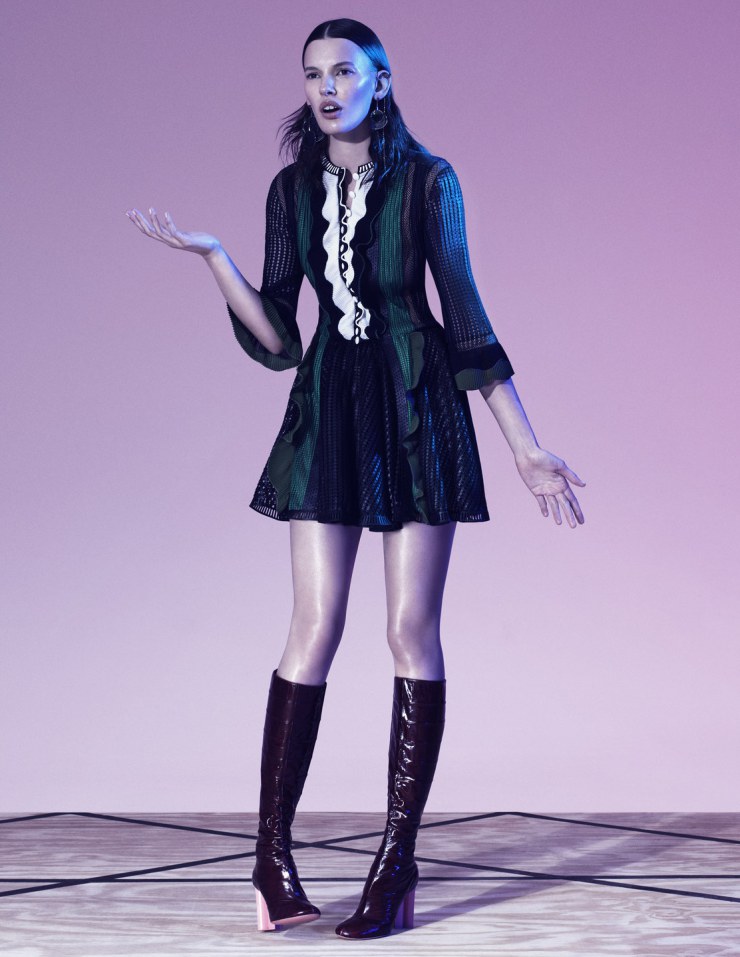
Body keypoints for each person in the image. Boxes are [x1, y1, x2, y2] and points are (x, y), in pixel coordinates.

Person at [127, 17, 586, 940]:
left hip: (417, 405)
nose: (327, 88)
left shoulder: (429, 182)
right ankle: (270, 858)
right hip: (331, 408)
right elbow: (278, 338)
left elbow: (466, 321)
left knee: (409, 630)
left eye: (344, 71)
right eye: (313, 75)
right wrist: (216, 260)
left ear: (382, 79)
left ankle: (395, 861)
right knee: (313, 627)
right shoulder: (291, 190)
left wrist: (525, 447)